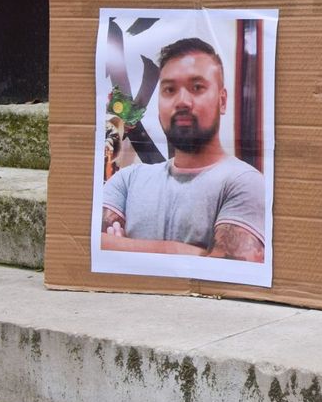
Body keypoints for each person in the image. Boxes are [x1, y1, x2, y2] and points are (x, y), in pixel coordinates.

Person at [101, 37, 266, 262]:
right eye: (169, 90)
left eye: (197, 87)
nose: (182, 101)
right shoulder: (128, 180)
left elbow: (230, 269)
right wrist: (188, 252)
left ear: (223, 101)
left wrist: (123, 246)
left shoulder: (245, 182)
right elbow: (88, 247)